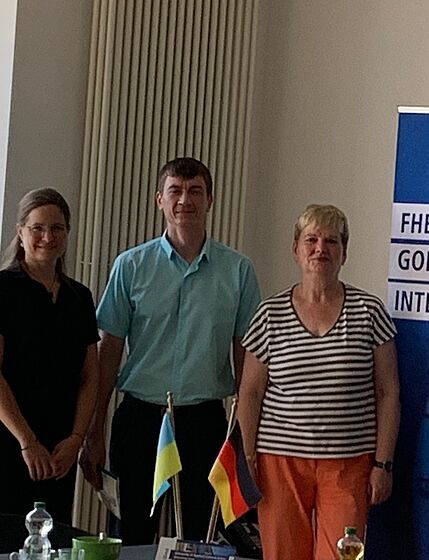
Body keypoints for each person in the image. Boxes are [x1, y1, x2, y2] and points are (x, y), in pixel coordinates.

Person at [79, 157, 261, 543]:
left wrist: (246, 438)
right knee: (131, 535)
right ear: (159, 200)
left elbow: (247, 358)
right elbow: (107, 354)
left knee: (200, 537)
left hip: (204, 424)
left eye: (195, 191)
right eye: (175, 191)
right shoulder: (130, 266)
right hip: (139, 420)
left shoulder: (238, 271)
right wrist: (94, 431)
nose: (184, 200)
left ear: (210, 200)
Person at [238, 204, 400, 560]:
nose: (320, 249)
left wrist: (383, 464)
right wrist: (246, 458)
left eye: (331, 241)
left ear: (344, 251)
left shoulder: (370, 311)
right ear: (295, 249)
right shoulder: (269, 314)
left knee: (343, 557)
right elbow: (249, 393)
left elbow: (388, 393)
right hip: (279, 462)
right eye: (311, 240)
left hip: (348, 463)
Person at [0, 188, 99, 523]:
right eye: (37, 228)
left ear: (67, 233)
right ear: (20, 232)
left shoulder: (79, 297)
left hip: (60, 452)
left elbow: (90, 376)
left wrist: (76, 440)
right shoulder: (3, 289)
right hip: (11, 443)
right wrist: (27, 442)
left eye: (57, 228)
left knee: (54, 540)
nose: (47, 237)